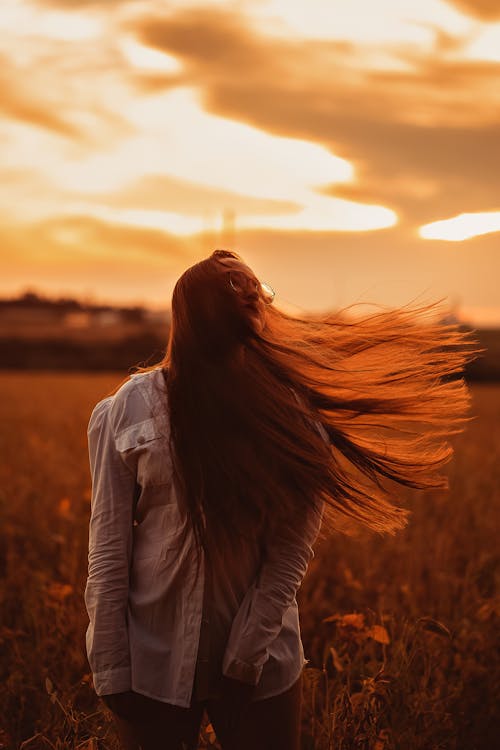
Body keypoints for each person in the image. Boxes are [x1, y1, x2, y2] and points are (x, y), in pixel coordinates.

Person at [84, 249, 478, 750]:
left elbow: (289, 551)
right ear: (194, 309)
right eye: (233, 285)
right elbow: (108, 549)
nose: (251, 292)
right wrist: (112, 668)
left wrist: (244, 659)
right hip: (150, 658)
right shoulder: (129, 408)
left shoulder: (291, 413)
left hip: (263, 663)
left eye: (255, 285)